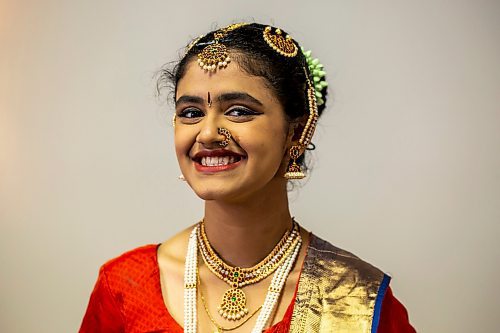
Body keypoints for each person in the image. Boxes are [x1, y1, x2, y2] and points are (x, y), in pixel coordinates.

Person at [80, 22, 416, 333]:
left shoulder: (357, 299)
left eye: (239, 111)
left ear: (295, 131)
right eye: (191, 113)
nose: (208, 133)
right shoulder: (124, 287)